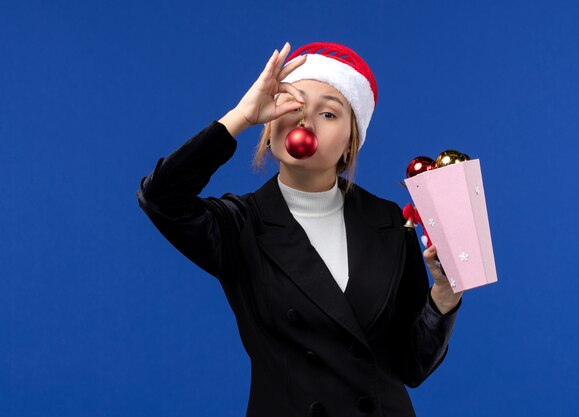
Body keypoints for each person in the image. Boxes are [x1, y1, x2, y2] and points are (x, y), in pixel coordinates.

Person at [136, 41, 462, 417]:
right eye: (292, 102)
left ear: (349, 144)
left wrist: (444, 295)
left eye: (328, 114)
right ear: (270, 124)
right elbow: (160, 197)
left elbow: (411, 367)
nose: (304, 121)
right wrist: (240, 116)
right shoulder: (239, 224)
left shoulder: (389, 221)